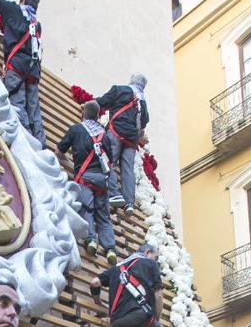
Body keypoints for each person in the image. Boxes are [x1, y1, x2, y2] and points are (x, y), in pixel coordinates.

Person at [56, 100, 117, 264]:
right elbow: (110, 159)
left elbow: (59, 151)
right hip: (102, 180)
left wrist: (68, 162)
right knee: (104, 217)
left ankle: (91, 240)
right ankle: (110, 249)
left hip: (85, 177)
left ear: (83, 113)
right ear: (98, 116)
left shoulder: (76, 129)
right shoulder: (105, 135)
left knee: (87, 209)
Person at [0, 0, 45, 146]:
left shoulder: (14, 9)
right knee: (34, 114)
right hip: (33, 72)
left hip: (16, 68)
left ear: (23, 0)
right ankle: (40, 146)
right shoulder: (36, 25)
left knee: (17, 106)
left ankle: (22, 143)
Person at [96, 73, 149, 213]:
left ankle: (114, 193)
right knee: (128, 170)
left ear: (131, 81)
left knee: (108, 161)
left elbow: (101, 102)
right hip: (131, 140)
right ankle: (129, 203)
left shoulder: (119, 90)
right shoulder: (143, 104)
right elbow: (143, 124)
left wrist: (89, 106)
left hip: (115, 131)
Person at [91, 244, 163, 327]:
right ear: (147, 253)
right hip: (139, 315)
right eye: (156, 258)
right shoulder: (151, 263)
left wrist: (98, 302)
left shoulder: (115, 268)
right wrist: (156, 318)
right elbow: (159, 295)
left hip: (117, 322)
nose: (156, 261)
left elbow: (95, 282)